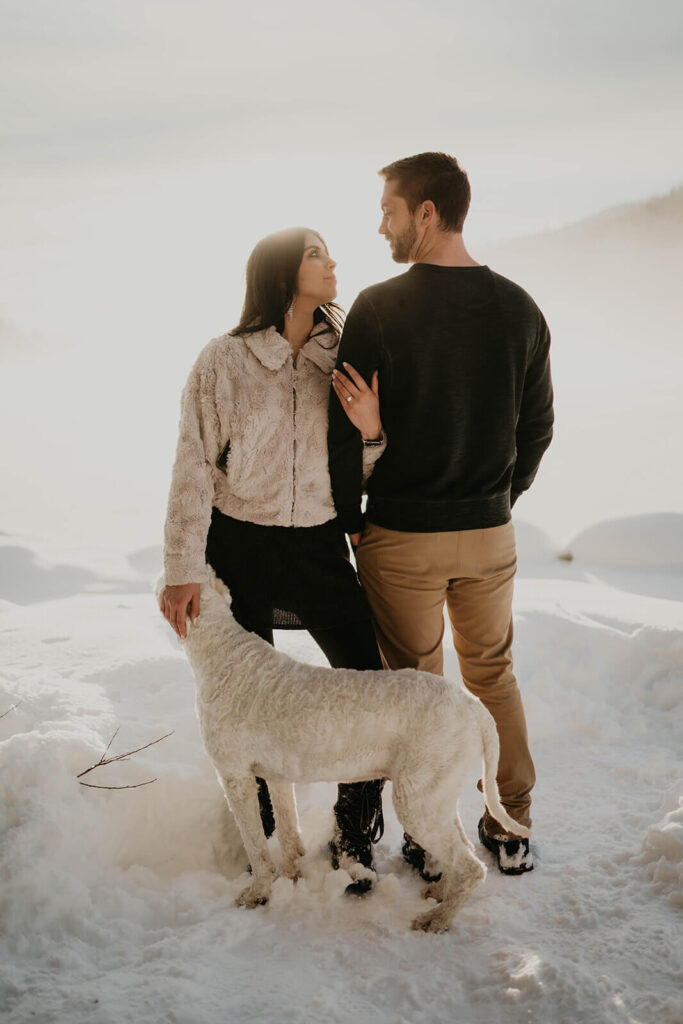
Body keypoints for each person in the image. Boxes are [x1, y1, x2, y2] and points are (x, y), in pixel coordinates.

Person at [328, 152, 554, 876]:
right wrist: (496, 499)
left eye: (389, 211)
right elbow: (538, 426)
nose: (381, 226)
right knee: (493, 676)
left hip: (401, 535)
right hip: (488, 533)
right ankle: (510, 824)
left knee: (422, 694)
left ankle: (431, 840)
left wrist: (349, 518)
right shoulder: (519, 306)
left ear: (426, 213)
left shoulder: (378, 306)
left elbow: (343, 429)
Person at [159, 227, 386, 894]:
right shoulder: (223, 360)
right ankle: (258, 834)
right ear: (282, 272)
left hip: (318, 545)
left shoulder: (344, 354)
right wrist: (181, 570)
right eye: (317, 253)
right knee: (242, 705)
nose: (332, 261)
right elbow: (193, 467)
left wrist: (372, 431)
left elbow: (365, 466)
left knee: (365, 680)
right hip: (236, 548)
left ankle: (353, 831)